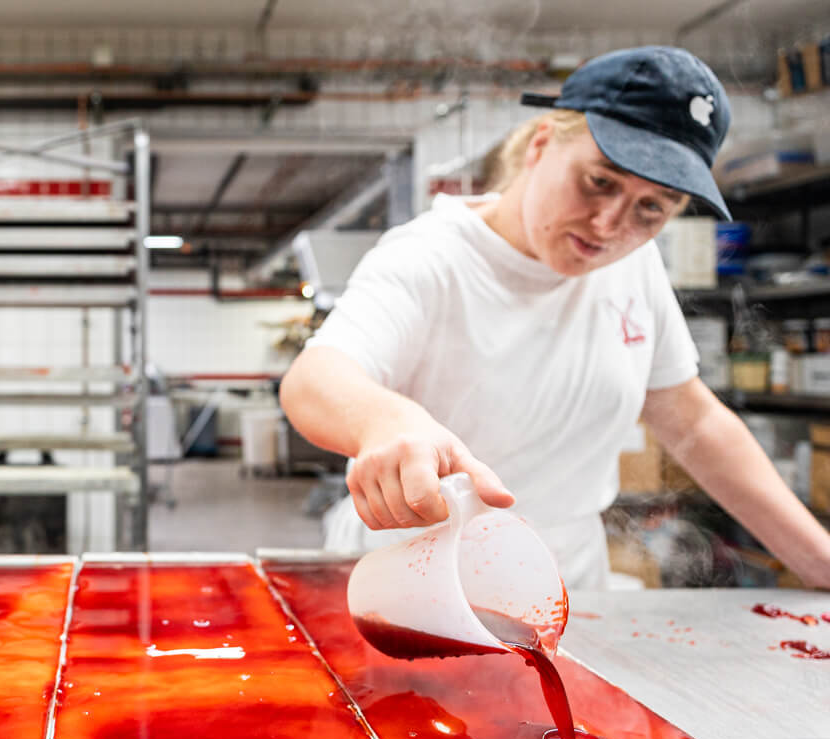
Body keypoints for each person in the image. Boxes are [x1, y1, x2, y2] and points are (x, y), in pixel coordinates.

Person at [280, 46, 830, 590]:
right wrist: (388, 423)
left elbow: (695, 422)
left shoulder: (632, 265)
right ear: (541, 144)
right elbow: (316, 379)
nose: (610, 224)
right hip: (413, 589)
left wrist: (819, 561)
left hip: (561, 590)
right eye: (601, 181)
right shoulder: (433, 257)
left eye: (651, 207)